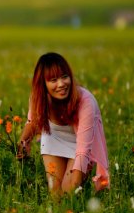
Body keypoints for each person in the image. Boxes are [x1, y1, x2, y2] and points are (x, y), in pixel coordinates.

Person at [18, 52, 110, 195]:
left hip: (81, 144)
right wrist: (23, 142)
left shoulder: (86, 102)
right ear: (43, 84)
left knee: (68, 191)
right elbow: (32, 122)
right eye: (53, 80)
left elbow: (83, 150)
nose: (61, 84)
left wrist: (74, 185)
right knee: (55, 193)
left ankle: (77, 204)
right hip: (53, 138)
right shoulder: (38, 98)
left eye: (64, 77)